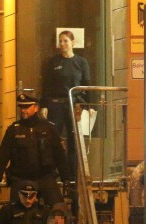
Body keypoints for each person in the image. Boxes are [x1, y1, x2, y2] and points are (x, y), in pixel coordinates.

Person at [0, 93, 71, 207]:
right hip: (21, 177)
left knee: (58, 210)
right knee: (16, 212)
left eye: (26, 107)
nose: (23, 110)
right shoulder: (14, 130)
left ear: (36, 107)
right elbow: (3, 155)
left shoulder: (49, 128)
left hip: (45, 177)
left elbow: (59, 155)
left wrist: (66, 179)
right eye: (21, 107)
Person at [40, 30, 93, 182]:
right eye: (60, 41)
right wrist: (44, 104)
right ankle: (52, 171)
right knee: (53, 138)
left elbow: (87, 84)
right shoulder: (53, 62)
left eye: (65, 41)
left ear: (72, 43)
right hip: (56, 104)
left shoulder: (81, 62)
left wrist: (89, 105)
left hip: (74, 105)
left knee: (73, 139)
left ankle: (72, 175)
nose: (62, 44)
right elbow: (46, 85)